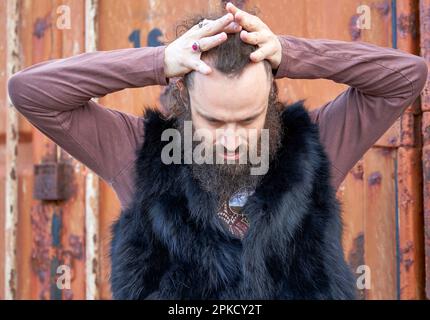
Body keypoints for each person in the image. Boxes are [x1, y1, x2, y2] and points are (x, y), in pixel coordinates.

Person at [7, 3, 428, 299]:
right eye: (212, 122)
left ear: (272, 101)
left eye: (248, 121)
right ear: (184, 103)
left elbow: (406, 75)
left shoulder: (316, 144)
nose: (230, 142)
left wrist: (292, 54)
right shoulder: (135, 152)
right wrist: (156, 61)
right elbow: (31, 91)